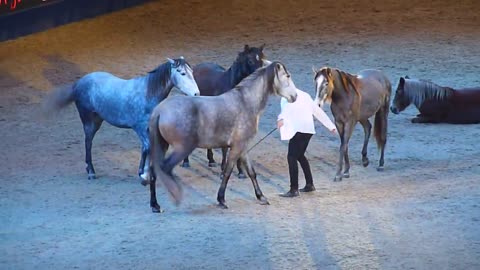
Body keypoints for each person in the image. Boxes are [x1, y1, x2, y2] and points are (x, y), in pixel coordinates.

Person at [277, 88, 336, 197]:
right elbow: (317, 111)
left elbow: (286, 109)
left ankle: (294, 189)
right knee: (300, 156)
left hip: (298, 130)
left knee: (291, 157)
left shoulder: (288, 96)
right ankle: (310, 184)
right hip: (308, 131)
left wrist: (281, 119)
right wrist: (330, 126)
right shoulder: (305, 95)